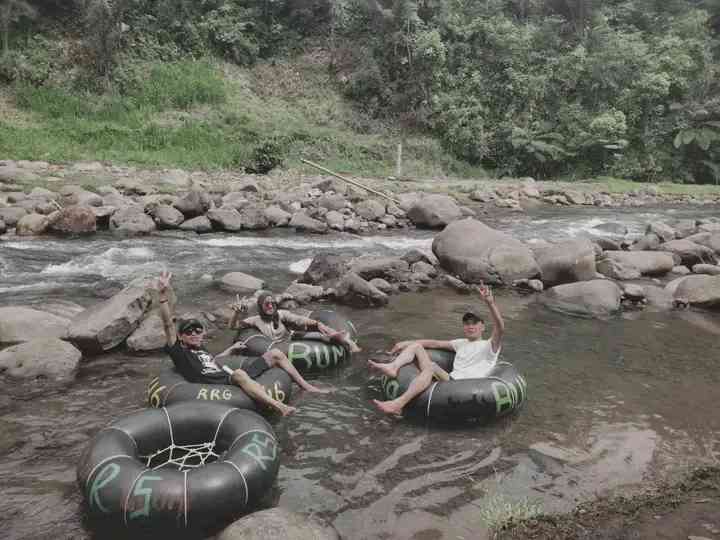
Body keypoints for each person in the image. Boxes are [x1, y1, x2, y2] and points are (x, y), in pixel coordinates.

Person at [156, 273, 326, 417]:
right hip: (217, 384)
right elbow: (168, 325)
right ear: (181, 336)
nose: (194, 334)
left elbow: (213, 362)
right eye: (189, 332)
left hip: (226, 375)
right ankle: (280, 407)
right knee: (239, 374)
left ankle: (306, 386)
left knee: (275, 354)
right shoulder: (179, 351)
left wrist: (230, 350)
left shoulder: (201, 349)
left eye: (197, 330)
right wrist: (163, 296)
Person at [368, 283, 504, 416]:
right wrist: (407, 342)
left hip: (469, 387)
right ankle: (393, 366)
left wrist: (490, 303)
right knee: (416, 346)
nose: (470, 326)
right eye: (467, 324)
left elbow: (500, 327)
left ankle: (398, 404)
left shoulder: (490, 345)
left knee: (432, 367)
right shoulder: (460, 343)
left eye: (474, 323)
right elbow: (435, 343)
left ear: (483, 327)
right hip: (451, 379)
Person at [229, 291, 361, 353]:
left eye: (272, 303)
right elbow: (233, 327)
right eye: (266, 304)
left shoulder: (281, 314)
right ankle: (337, 338)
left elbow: (299, 319)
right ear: (261, 306)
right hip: (275, 347)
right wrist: (236, 313)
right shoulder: (255, 320)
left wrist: (316, 323)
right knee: (319, 335)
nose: (270, 306)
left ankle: (347, 342)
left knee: (320, 334)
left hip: (292, 339)